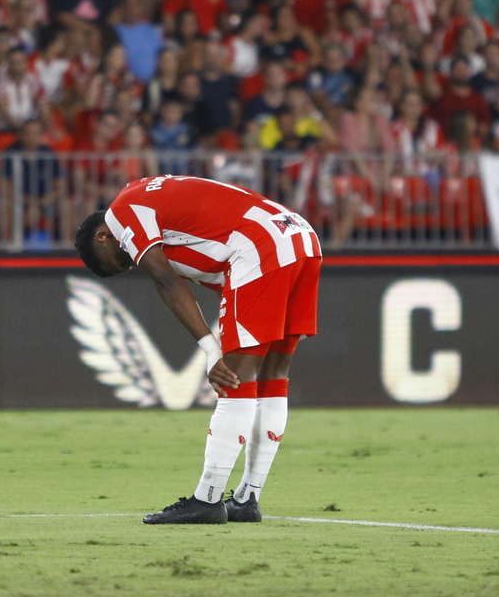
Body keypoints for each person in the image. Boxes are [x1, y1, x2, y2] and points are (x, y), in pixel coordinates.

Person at [75, 175, 322, 524]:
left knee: (233, 377)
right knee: (273, 373)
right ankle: (247, 498)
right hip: (300, 236)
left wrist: (210, 349)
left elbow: (166, 280)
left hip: (259, 246)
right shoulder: (142, 189)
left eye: (119, 261)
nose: (130, 263)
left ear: (103, 236)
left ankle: (207, 499)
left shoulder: (121, 213)